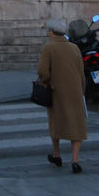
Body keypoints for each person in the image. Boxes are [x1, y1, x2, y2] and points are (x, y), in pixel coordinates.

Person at [37, 18, 87, 173]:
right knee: (76, 124)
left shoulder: (48, 47)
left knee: (56, 122)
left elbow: (43, 71)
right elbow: (81, 71)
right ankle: (75, 160)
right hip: (75, 90)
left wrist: (44, 80)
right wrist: (82, 90)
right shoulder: (74, 48)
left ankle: (57, 154)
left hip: (56, 90)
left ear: (51, 31)